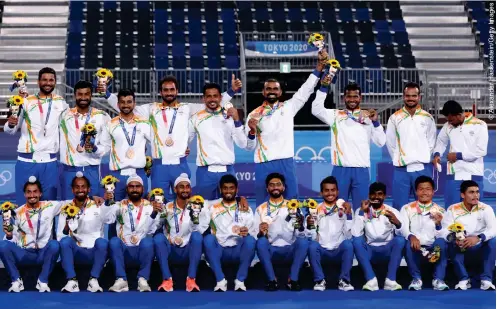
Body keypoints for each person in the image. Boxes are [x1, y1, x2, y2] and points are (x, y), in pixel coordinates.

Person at [103, 75, 241, 200]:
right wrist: (106, 93)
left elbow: (213, 102)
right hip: (159, 166)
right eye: (165, 90)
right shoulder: (151, 109)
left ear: (177, 91)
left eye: (172, 89)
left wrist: (231, 91)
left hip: (180, 165)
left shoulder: (187, 108)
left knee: (184, 203)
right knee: (159, 202)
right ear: (160, 92)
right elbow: (123, 106)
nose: (169, 93)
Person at [246, 51, 329, 206]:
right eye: (268, 89)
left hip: (286, 161)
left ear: (280, 92)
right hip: (264, 163)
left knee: (291, 201)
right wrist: (251, 132)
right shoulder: (253, 115)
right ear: (263, 92)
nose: (271, 91)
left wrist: (318, 69)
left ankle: (293, 230)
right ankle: (264, 230)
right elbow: (249, 147)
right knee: (263, 204)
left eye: (275, 89)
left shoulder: (289, 107)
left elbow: (306, 91)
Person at [311, 78, 385, 210]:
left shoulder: (368, 117)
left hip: (361, 170)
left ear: (360, 98)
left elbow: (381, 142)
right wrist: (324, 86)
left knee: (361, 209)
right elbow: (316, 109)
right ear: (344, 98)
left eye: (355, 96)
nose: (352, 99)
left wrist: (375, 122)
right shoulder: (335, 115)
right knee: (338, 209)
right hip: (340, 170)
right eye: (349, 96)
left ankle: (359, 231)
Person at [3, 67, 69, 204]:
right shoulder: (26, 101)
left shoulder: (61, 103)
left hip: (50, 163)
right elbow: (10, 130)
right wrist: (10, 123)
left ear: (55, 82)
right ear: (38, 82)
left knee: (49, 208)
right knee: (23, 207)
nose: (48, 83)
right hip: (26, 161)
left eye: (51, 80)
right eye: (44, 80)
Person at [189, 83, 256, 202]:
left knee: (229, 208)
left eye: (215, 96)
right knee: (203, 209)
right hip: (205, 172)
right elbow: (186, 139)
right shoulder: (196, 118)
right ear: (203, 99)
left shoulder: (230, 116)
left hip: (227, 171)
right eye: (208, 96)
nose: (212, 99)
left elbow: (242, 144)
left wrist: (236, 120)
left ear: (220, 98)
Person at [0, 176, 64, 292]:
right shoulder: (18, 213)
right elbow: (14, 237)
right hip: (25, 253)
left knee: (55, 245)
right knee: (3, 245)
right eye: (28, 192)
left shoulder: (50, 206)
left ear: (40, 193)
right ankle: (16, 281)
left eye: (35, 192)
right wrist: (9, 235)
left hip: (43, 253)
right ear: (24, 194)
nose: (32, 195)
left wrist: (91, 197)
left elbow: (70, 203)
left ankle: (43, 281)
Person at [104, 175, 161, 292]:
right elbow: (107, 220)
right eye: (131, 186)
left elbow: (151, 230)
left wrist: (155, 213)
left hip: (142, 251)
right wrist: (108, 202)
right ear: (126, 189)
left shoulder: (151, 207)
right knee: (114, 241)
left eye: (137, 186)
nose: (134, 189)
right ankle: (121, 280)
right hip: (124, 251)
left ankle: (143, 279)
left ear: (143, 189)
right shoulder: (119, 205)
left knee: (148, 242)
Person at [57, 172, 113, 293]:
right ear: (72, 190)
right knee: (65, 241)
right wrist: (67, 225)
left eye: (83, 187)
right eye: (77, 187)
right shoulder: (66, 208)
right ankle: (72, 281)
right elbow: (60, 236)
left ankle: (93, 280)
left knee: (102, 243)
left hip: (94, 252)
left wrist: (107, 204)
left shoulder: (99, 204)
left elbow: (109, 219)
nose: (80, 189)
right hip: (76, 252)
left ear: (89, 189)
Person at [254, 173, 309, 291]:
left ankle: (293, 280)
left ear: (283, 187)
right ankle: (272, 280)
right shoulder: (260, 209)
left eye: (278, 184)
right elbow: (255, 236)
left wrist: (300, 226)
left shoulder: (294, 206)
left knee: (303, 242)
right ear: (267, 188)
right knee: (261, 242)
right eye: (271, 185)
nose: (275, 187)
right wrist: (260, 232)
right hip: (271, 250)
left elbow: (302, 234)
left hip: (290, 249)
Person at [386, 82, 437, 210]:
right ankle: (400, 230)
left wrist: (422, 155)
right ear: (403, 96)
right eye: (408, 95)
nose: (411, 98)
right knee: (399, 206)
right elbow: (390, 143)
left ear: (419, 97)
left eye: (414, 96)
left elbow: (431, 142)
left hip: (422, 169)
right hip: (401, 170)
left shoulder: (428, 117)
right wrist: (400, 159)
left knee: (425, 205)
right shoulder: (394, 118)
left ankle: (425, 230)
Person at [203, 174, 256, 292]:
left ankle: (240, 281)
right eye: (225, 188)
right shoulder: (212, 207)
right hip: (220, 249)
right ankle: (220, 281)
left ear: (237, 189)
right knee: (208, 239)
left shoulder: (245, 208)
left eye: (231, 188)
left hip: (238, 249)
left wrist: (247, 232)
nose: (228, 191)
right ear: (220, 189)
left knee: (251, 240)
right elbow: (196, 202)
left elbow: (253, 232)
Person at [59, 80, 111, 199]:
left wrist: (95, 149)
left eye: (86, 94)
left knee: (93, 209)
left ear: (91, 95)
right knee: (69, 209)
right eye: (80, 94)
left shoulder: (102, 116)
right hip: (69, 170)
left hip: (91, 170)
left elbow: (107, 146)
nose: (83, 97)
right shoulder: (63, 115)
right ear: (74, 95)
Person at [152, 173, 203, 292]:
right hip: (171, 249)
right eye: (181, 186)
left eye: (187, 186)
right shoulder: (167, 207)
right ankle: (167, 280)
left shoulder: (198, 206)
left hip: (188, 250)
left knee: (197, 236)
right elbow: (155, 227)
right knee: (158, 238)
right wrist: (158, 214)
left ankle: (191, 280)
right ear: (175, 189)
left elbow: (199, 230)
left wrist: (238, 198)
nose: (185, 189)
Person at [441, 180, 495, 290]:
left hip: (480, 247)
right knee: (449, 242)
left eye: (477, 192)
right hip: (461, 246)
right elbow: (444, 230)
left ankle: (486, 280)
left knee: (494, 241)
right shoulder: (452, 209)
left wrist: (478, 238)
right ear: (462, 195)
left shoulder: (486, 208)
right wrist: (454, 238)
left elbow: (494, 229)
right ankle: (463, 279)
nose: (476, 195)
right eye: (471, 192)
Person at [433, 100, 488, 207]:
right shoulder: (447, 126)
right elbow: (441, 142)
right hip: (453, 174)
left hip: (474, 173)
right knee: (451, 209)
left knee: (475, 211)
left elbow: (481, 150)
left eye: (451, 120)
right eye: (448, 120)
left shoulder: (480, 125)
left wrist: (458, 155)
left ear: (459, 115)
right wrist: (437, 154)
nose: (450, 122)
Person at [99, 88, 152, 200]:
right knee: (114, 210)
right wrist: (93, 148)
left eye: (129, 102)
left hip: (139, 174)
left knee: (140, 211)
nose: (126, 105)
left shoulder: (144, 123)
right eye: (122, 102)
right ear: (118, 104)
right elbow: (104, 148)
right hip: (116, 176)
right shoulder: (110, 124)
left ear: (134, 103)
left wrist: (181, 147)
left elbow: (156, 142)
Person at [352, 182, 405, 291]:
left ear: (384, 196)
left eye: (380, 194)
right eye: (373, 194)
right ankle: (371, 280)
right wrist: (362, 212)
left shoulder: (393, 211)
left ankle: (390, 280)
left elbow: (403, 234)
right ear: (369, 195)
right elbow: (356, 234)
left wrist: (397, 223)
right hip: (370, 250)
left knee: (400, 240)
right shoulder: (361, 210)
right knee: (357, 241)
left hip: (387, 250)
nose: (376, 197)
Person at [399, 176, 449, 291]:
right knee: (407, 242)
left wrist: (438, 224)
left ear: (433, 192)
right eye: (421, 189)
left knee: (441, 242)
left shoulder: (441, 211)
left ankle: (438, 279)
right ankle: (416, 279)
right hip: (415, 249)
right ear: (416, 191)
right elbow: (403, 228)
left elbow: (444, 234)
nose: (424, 192)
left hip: (433, 249)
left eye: (428, 189)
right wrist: (411, 237)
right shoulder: (407, 208)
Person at [307, 176, 355, 291]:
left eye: (333, 190)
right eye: (326, 190)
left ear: (337, 192)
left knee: (348, 244)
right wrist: (310, 225)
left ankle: (344, 280)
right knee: (313, 246)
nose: (330, 193)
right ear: (321, 193)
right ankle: (319, 280)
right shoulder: (315, 210)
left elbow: (349, 235)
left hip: (338, 250)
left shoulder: (345, 208)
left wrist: (348, 215)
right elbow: (312, 236)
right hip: (322, 251)